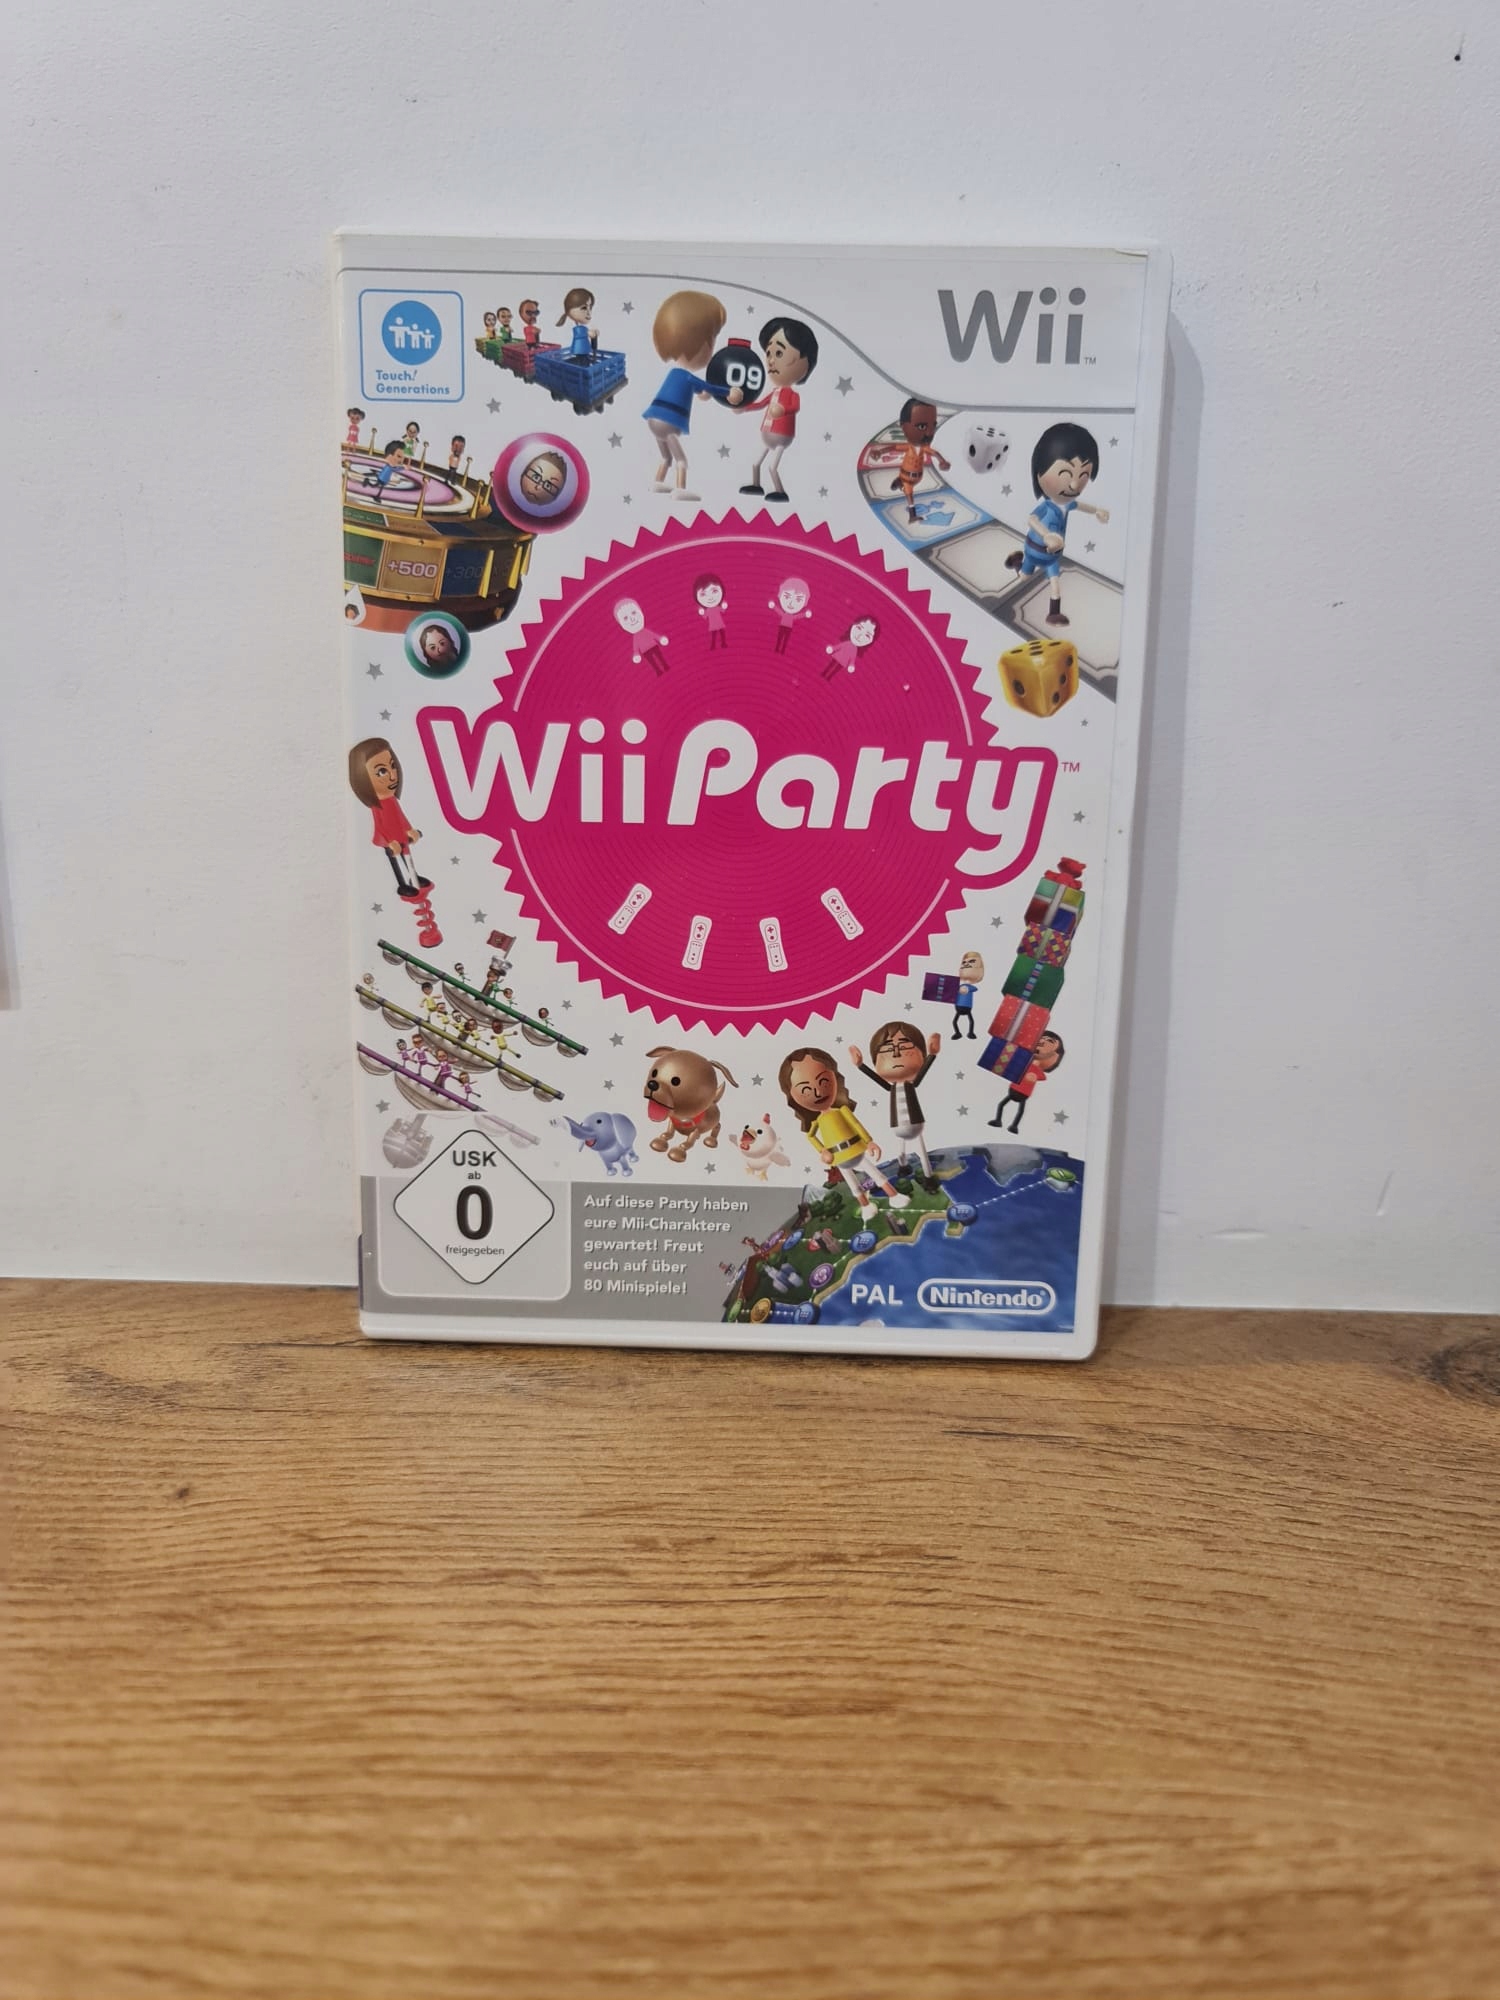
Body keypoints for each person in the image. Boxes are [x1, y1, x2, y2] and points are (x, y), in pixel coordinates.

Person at [778, 1047, 910, 1222]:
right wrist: (822, 1150)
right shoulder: (817, 1122)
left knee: (875, 1174)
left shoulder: (842, 1111)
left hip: (856, 1150)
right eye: (805, 1090)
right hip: (838, 1157)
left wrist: (869, 1142)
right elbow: (810, 1136)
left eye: (823, 1081)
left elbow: (856, 1125)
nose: (817, 1092)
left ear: (835, 1077)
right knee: (853, 1184)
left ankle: (894, 1196)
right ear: (793, 1097)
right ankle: (865, 1206)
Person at [642, 290, 744, 503]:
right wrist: (730, 392)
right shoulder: (688, 376)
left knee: (665, 456)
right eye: (712, 338)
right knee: (681, 460)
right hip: (668, 423)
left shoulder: (674, 373)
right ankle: (680, 489)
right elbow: (709, 387)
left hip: (653, 420)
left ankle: (658, 482)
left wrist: (701, 393)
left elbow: (697, 390)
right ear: (702, 343)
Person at [1003, 422, 1109, 627]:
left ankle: (1054, 614)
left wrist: (1097, 510)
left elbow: (1080, 506)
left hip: (1052, 557)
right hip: (1034, 550)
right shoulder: (1046, 506)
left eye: (1083, 476)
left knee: (1055, 584)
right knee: (1023, 578)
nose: (1074, 485)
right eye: (1065, 474)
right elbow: (1032, 519)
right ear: (1039, 474)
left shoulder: (1067, 505)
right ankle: (1017, 562)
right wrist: (1046, 535)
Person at [738, 315, 818, 502]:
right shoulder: (774, 392)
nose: (771, 361)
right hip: (768, 434)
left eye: (779, 353)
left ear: (805, 363)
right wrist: (744, 407)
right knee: (756, 463)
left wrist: (783, 411)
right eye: (769, 354)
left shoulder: (792, 394)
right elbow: (760, 404)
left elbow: (794, 407)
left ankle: (780, 491)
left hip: (782, 436)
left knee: (772, 466)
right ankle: (756, 485)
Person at [851, 1023, 942, 1183]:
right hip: (897, 1124)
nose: (896, 1053)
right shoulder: (891, 1087)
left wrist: (932, 1054)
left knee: (921, 1149)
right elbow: (877, 1079)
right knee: (901, 1148)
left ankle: (928, 1177)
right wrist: (860, 1065)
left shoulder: (910, 1085)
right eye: (887, 1049)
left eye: (905, 1047)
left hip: (915, 1122)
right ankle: (903, 1166)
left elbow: (921, 1073)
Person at [346, 738, 430, 899]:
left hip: (400, 834)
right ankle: (402, 884)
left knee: (406, 855)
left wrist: (410, 830)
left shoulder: (392, 800)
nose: (392, 776)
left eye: (393, 766)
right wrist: (388, 842)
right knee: (395, 860)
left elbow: (401, 817)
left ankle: (413, 876)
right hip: (389, 839)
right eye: (381, 772)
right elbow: (379, 825)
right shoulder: (377, 805)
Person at [988, 1032, 1065, 1132]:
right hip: (1014, 1089)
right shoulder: (1024, 1064)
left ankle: (1014, 1126)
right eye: (1041, 1038)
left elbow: (1042, 1077)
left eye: (1050, 1041)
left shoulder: (1036, 1070)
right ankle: (999, 1121)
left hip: (1023, 1093)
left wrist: (1034, 1075)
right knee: (1004, 1105)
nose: (1042, 1041)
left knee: (1018, 1109)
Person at [893, 398, 950, 522]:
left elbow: (935, 453)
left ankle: (899, 482)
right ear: (904, 427)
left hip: (917, 477)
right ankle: (912, 515)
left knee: (909, 493)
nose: (929, 433)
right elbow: (894, 447)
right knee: (909, 496)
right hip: (907, 477)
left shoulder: (925, 449)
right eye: (922, 426)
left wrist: (942, 461)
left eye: (933, 426)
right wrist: (880, 451)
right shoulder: (908, 447)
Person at [769, 576, 812, 655]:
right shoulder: (786, 614)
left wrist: (805, 614)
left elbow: (797, 616)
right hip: (783, 627)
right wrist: (774, 607)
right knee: (780, 638)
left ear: (804, 603)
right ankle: (778, 649)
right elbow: (779, 612)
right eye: (787, 597)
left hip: (788, 628)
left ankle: (781, 650)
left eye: (798, 600)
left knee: (784, 639)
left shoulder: (790, 616)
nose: (791, 603)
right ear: (780, 595)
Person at [556, 286, 598, 362]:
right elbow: (578, 335)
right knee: (580, 360)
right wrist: (588, 333)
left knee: (585, 359)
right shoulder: (577, 328)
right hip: (579, 348)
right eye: (584, 308)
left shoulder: (583, 326)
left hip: (584, 348)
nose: (589, 312)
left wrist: (594, 333)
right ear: (569, 311)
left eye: (590, 307)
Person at [951, 950, 983, 1039]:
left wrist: (967, 989)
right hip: (959, 1006)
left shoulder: (969, 987)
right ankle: (958, 1033)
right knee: (955, 1021)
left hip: (967, 1007)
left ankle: (971, 1032)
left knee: (970, 1021)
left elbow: (975, 989)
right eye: (964, 963)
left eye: (971, 962)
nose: (966, 965)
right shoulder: (959, 986)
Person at [694, 574, 729, 650]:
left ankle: (722, 643)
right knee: (715, 635)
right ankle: (714, 645)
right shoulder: (709, 610)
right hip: (714, 624)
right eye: (703, 594)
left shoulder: (716, 608)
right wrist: (702, 613)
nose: (710, 598)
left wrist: (724, 606)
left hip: (718, 623)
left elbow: (723, 610)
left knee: (721, 633)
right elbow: (705, 616)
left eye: (714, 591)